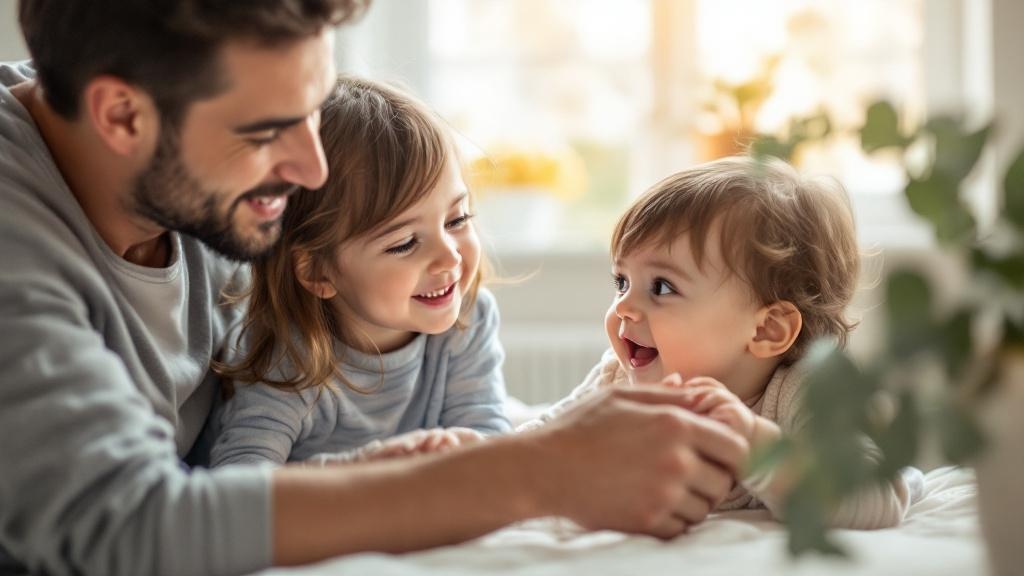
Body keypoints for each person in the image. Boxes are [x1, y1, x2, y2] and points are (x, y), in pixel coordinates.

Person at [0, 2, 748, 575]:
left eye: (313, 112)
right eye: (267, 132)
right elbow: (122, 524)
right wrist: (541, 471)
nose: (311, 169)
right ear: (121, 115)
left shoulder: (195, 186)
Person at [521, 156, 923, 529]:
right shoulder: (615, 379)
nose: (624, 306)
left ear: (767, 330)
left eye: (661, 287)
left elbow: (878, 497)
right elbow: (544, 443)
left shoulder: (806, 393)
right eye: (621, 282)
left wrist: (754, 444)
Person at [211, 75, 510, 468]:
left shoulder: (469, 319)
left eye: (457, 219)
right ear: (318, 271)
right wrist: (368, 469)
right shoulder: (289, 358)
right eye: (404, 243)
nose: (450, 258)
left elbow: (488, 448)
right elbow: (241, 481)